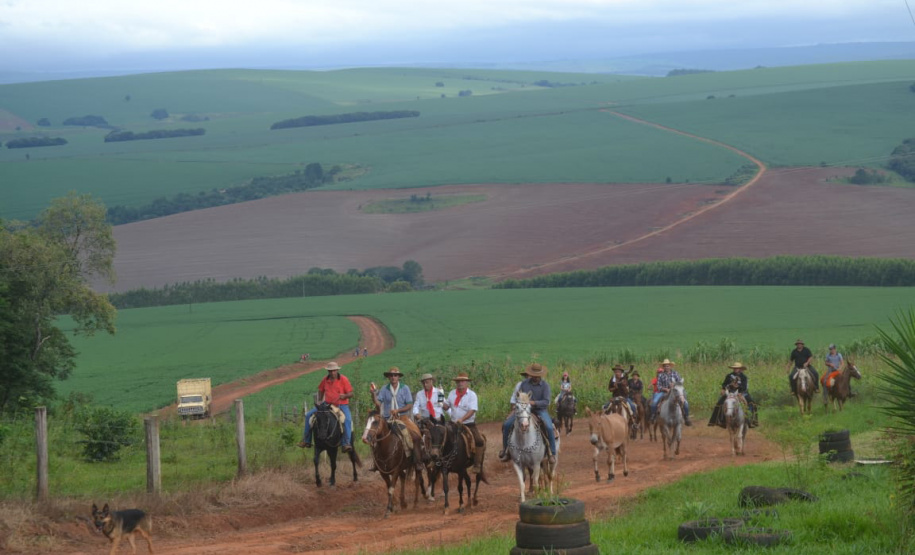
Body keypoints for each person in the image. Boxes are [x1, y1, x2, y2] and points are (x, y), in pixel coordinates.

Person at [499, 363, 558, 464]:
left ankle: (551, 453)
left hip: (540, 410)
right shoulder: (524, 384)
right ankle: (506, 450)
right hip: (524, 410)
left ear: (540, 375)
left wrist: (533, 403)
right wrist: (520, 405)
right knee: (507, 424)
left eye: (537, 375)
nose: (535, 377)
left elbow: (546, 401)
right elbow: (519, 397)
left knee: (548, 426)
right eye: (533, 375)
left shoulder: (545, 386)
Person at [371, 367, 424, 470]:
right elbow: (378, 404)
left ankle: (417, 460)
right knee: (376, 436)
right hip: (387, 418)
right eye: (391, 375)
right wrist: (373, 395)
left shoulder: (405, 388)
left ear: (398, 377)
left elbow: (409, 405)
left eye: (395, 375)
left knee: (414, 436)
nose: (393, 377)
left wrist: (398, 410)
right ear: (388, 377)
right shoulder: (384, 389)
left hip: (402, 417)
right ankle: (377, 462)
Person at [299, 362, 354, 452]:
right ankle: (306, 440)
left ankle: (346, 443)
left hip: (341, 404)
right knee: (309, 415)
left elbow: (351, 393)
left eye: (334, 371)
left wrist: (344, 396)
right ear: (328, 371)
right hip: (327, 404)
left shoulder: (343, 379)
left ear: (337, 370)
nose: (332, 373)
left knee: (347, 419)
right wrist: (320, 401)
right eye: (330, 371)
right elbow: (321, 390)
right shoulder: (325, 380)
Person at [442, 372, 485, 473]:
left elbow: (472, 410)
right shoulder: (452, 393)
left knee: (479, 441)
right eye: (458, 381)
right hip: (453, 424)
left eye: (462, 381)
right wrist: (440, 398)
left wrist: (462, 419)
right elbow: (446, 407)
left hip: (468, 424)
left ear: (466, 383)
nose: (460, 383)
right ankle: (440, 460)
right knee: (441, 436)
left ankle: (477, 464)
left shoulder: (471, 395)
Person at [707, 362, 757, 428]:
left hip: (741, 392)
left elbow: (744, 387)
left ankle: (750, 420)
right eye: (734, 368)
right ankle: (718, 420)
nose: (735, 369)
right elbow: (724, 384)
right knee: (719, 403)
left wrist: (738, 387)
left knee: (751, 403)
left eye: (737, 368)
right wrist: (725, 388)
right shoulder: (729, 376)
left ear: (740, 369)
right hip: (730, 392)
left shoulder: (744, 377)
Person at [650, 359, 692, 426]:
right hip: (663, 392)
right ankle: (653, 416)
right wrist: (665, 389)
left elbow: (680, 383)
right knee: (654, 402)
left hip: (675, 392)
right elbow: (658, 386)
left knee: (685, 402)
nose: (666, 367)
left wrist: (674, 386)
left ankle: (686, 417)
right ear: (663, 367)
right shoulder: (661, 375)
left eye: (668, 366)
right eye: (665, 366)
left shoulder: (675, 373)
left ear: (670, 366)